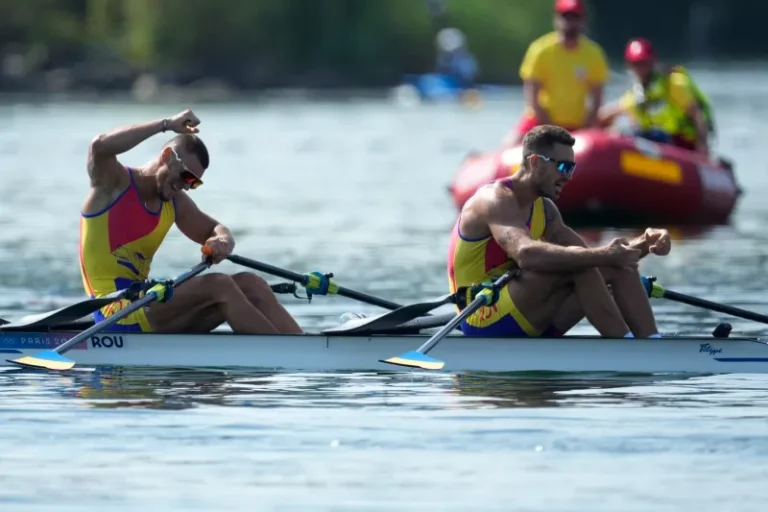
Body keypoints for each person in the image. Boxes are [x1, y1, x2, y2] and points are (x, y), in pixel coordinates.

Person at [80, 109, 303, 334]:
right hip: (114, 311)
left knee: (250, 284)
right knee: (219, 284)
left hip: (145, 303)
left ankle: (304, 349)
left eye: (194, 182)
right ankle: (286, 354)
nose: (186, 185)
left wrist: (222, 240)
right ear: (166, 156)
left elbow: (214, 229)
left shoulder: (173, 202)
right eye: (186, 175)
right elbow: (99, 146)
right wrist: (165, 124)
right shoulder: (112, 184)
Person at [447, 124, 672, 339]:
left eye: (572, 167)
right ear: (535, 162)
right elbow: (526, 254)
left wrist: (644, 243)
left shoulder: (545, 210)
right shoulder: (494, 199)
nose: (569, 176)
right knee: (581, 266)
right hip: (481, 318)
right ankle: (628, 350)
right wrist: (605, 254)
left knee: (616, 266)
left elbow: (593, 255)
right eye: (563, 167)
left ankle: (652, 343)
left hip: (522, 312)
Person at [503, 0, 609, 146]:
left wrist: (587, 125)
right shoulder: (540, 50)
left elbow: (597, 99)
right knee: (509, 144)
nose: (570, 22)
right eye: (566, 17)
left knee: (606, 140)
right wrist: (550, 128)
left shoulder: (594, 54)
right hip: (540, 121)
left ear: (582, 20)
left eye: (575, 17)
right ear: (557, 18)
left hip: (577, 124)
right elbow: (532, 97)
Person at [598, 38, 713, 155]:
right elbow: (614, 112)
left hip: (683, 142)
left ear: (653, 60)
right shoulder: (636, 94)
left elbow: (697, 116)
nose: (641, 68)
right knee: (620, 132)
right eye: (636, 64)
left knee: (646, 136)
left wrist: (702, 146)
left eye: (644, 62)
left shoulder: (673, 83)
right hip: (660, 145)